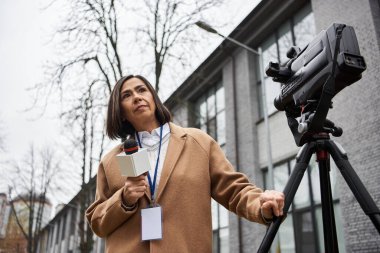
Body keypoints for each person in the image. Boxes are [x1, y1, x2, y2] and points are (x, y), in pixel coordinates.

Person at [86, 75, 285, 253]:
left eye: (141, 90)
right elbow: (97, 222)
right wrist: (124, 199)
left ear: (154, 99)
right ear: (120, 112)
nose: (137, 97)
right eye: (126, 95)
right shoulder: (110, 162)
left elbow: (234, 190)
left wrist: (261, 203)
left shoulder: (199, 142)